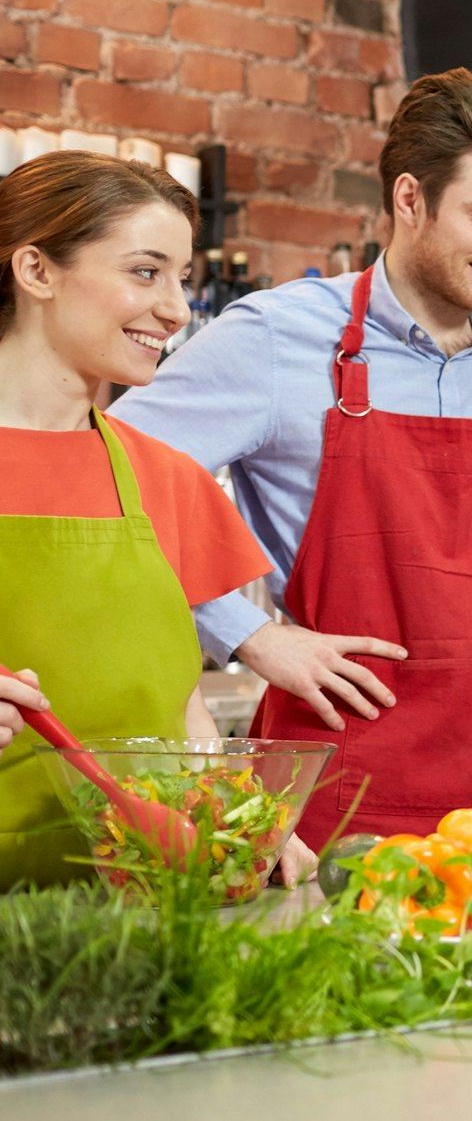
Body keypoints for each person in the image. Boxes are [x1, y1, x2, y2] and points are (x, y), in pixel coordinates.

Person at [115, 69, 472, 848]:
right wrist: (248, 636)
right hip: (330, 786)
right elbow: (115, 472)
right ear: (410, 200)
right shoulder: (277, 338)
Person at [0, 151, 272, 886]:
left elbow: (183, 709)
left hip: (148, 902)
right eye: (145, 272)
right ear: (37, 271)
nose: (178, 309)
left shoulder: (166, 478)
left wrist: (237, 832)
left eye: (181, 279)